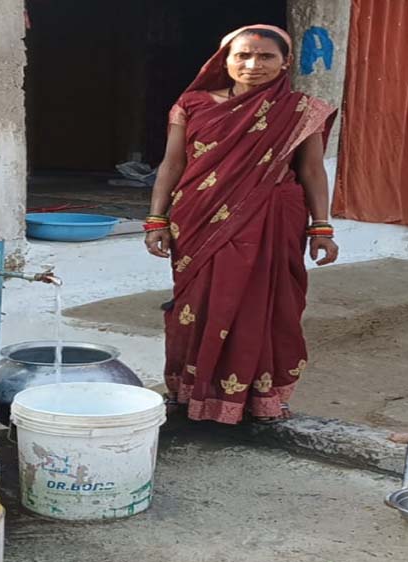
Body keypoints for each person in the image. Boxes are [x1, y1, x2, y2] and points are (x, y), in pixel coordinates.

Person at [144, 24, 339, 424]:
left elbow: (312, 171)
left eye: (266, 56)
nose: (253, 65)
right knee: (197, 305)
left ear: (285, 62)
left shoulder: (301, 110)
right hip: (198, 219)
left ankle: (259, 397)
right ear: (225, 61)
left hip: (270, 218)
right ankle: (192, 393)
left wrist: (321, 227)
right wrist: (156, 219)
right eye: (243, 56)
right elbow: (173, 164)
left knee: (264, 307)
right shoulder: (192, 104)